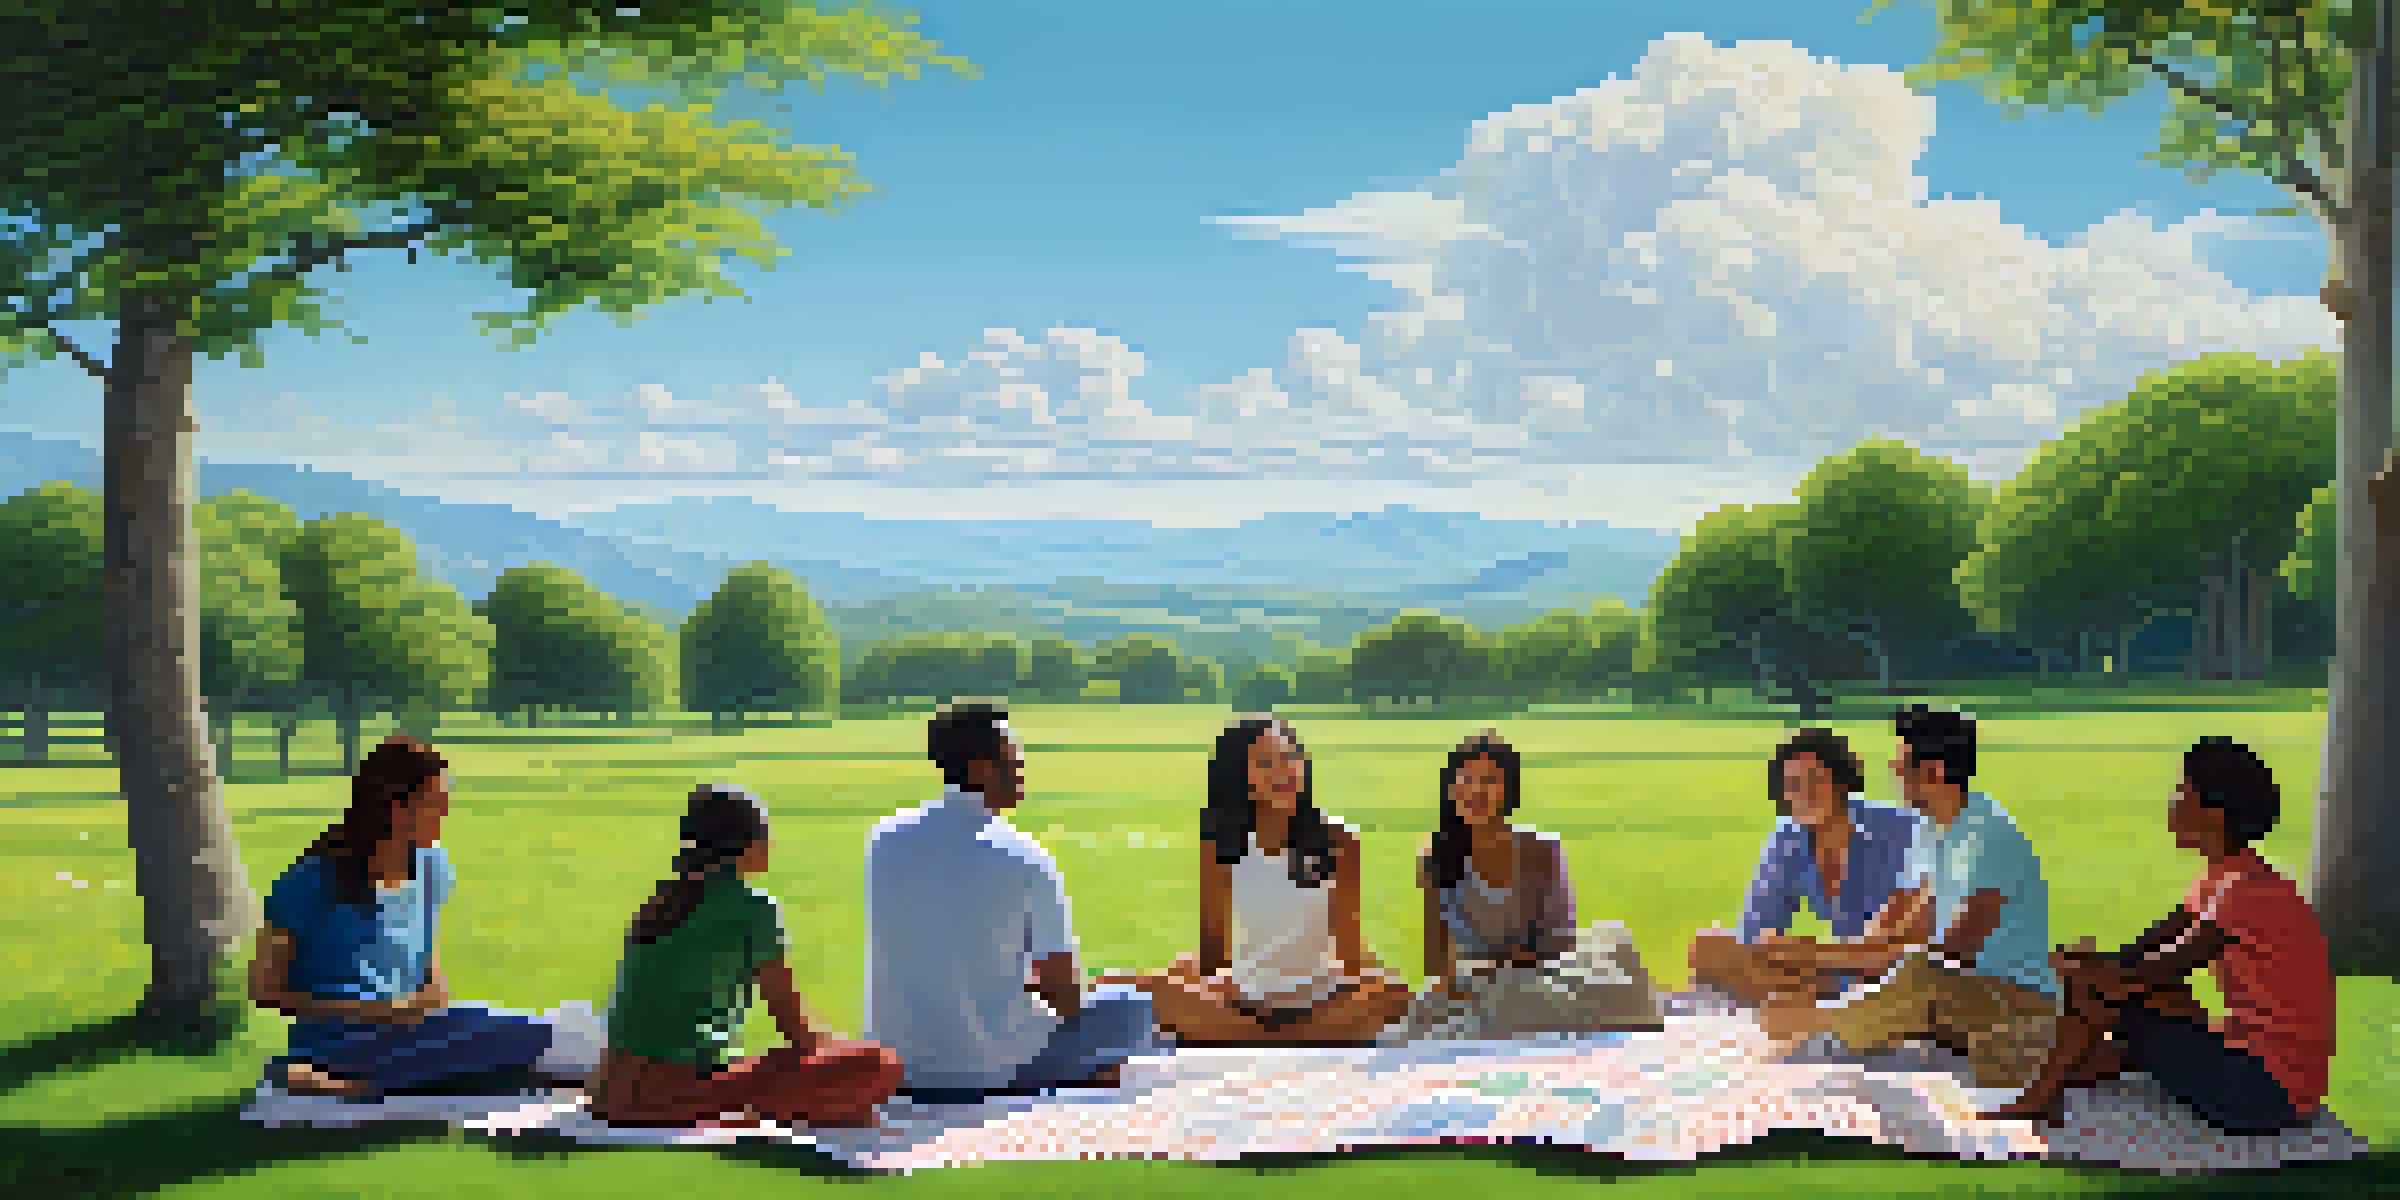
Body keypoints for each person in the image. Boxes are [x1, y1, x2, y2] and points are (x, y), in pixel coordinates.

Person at [1984, 739, 2334, 1133]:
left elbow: (2138, 975)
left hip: (2265, 1092)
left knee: (2110, 993)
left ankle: (2042, 1097)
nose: (2172, 800)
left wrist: (2078, 970)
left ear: (2214, 814)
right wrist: (2085, 962)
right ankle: (2069, 1072)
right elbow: (2138, 954)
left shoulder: (2242, 891)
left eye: (2183, 791)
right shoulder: (2222, 878)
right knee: (2154, 996)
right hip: (2274, 1081)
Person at [1751, 707, 2061, 1094]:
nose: (1893, 773)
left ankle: (1821, 1026)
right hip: (1958, 1001)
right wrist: (1812, 959)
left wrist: (1820, 971)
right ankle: (1830, 1024)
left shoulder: (1986, 839)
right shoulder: (1930, 832)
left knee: (1919, 972)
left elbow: (1949, 957)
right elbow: (1894, 926)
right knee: (1899, 972)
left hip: (2021, 1009)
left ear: (1933, 772)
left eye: (1901, 765)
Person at [865, 702, 1158, 1102]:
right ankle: (1087, 1073)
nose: (1022, 769)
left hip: (903, 1069)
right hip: (994, 1070)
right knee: (1133, 1005)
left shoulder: (883, 840)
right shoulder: (1023, 855)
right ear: (983, 767)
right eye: (1014, 757)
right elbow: (1066, 998)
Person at [250, 736, 554, 1099]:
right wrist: (376, 1009)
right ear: (397, 808)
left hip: (411, 1031)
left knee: (535, 1032)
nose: (445, 813)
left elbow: (426, 964)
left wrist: (429, 998)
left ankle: (355, 1082)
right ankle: (330, 1075)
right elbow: (265, 991)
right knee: (539, 1042)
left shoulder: (432, 868)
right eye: (435, 802)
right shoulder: (306, 883)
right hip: (341, 1038)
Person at [590, 784, 902, 1128]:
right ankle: (775, 1109)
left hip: (611, 1088)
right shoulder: (750, 905)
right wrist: (836, 1053)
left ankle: (787, 1103)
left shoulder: (664, 898)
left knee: (789, 1065)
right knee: (878, 1065)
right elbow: (798, 1032)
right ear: (748, 843)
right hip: (665, 1096)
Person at [1122, 717, 1412, 1045]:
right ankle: (1291, 1039)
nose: (1284, 772)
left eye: (1290, 759)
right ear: (1240, 776)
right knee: (1155, 991)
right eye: (1266, 763)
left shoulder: (1337, 837)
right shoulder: (1219, 842)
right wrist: (1175, 980)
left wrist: (1369, 982)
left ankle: (1260, 1039)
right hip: (1245, 997)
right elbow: (1214, 948)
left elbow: (1348, 943)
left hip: (1320, 995)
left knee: (1392, 994)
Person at [1389, 730, 1662, 1042]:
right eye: (1466, 780)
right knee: (1424, 1018)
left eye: (1489, 781)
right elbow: (1436, 961)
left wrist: (1503, 963)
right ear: (1451, 789)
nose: (1476, 792)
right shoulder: (1435, 857)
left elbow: (1559, 941)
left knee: (1529, 999)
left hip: (1543, 975)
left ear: (1508, 790)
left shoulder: (1541, 851)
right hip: (1477, 984)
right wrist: (1464, 981)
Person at [1688, 728, 1922, 1010]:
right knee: (1709, 949)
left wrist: (1806, 953)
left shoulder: (1903, 831)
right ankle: (1824, 1004)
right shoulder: (1788, 836)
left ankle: (1818, 1005)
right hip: (1835, 973)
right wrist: (1782, 952)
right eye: (1793, 784)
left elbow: (1905, 944)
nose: (1803, 793)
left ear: (1842, 782)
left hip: (1897, 966)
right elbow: (1754, 931)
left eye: (1814, 780)